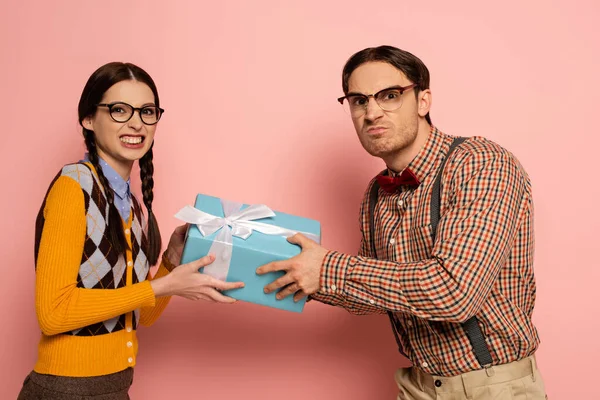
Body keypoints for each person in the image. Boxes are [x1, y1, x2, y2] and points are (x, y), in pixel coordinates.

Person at [257, 46, 547, 399]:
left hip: (491, 387)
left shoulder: (480, 164)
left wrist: (328, 267)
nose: (372, 112)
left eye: (389, 96)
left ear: (423, 101)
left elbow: (454, 293)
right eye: (359, 101)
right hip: (417, 386)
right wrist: (264, 263)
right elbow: (370, 295)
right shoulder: (377, 194)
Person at [18, 62, 244, 399]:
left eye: (147, 111)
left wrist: (169, 261)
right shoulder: (73, 187)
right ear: (88, 119)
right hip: (66, 390)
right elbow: (52, 312)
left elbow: (142, 312)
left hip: (114, 387)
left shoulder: (133, 206)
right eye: (119, 110)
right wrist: (167, 284)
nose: (136, 123)